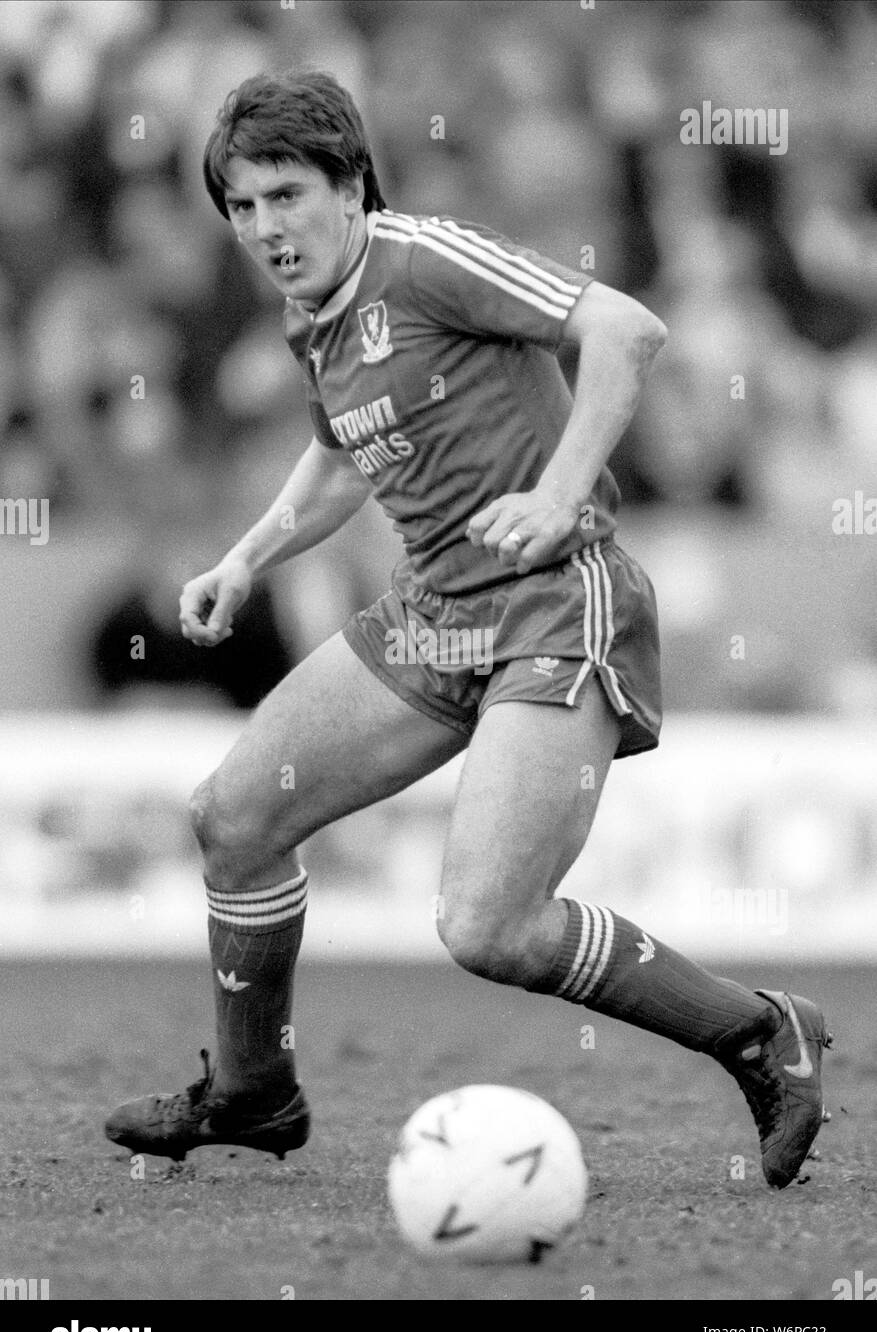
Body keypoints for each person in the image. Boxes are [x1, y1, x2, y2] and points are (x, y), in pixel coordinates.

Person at [105, 70, 830, 1188]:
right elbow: (345, 452)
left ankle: (757, 1029)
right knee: (235, 815)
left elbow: (625, 330)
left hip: (554, 596)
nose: (265, 229)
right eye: (242, 207)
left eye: (286, 195)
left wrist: (558, 491)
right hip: (432, 612)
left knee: (490, 926)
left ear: (351, 184)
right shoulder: (319, 318)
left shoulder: (423, 256)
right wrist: (245, 558)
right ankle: (256, 1093)